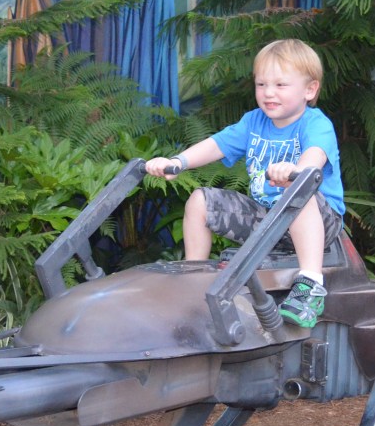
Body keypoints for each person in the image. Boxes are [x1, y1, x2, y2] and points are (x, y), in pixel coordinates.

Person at [145, 39, 345, 328]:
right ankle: (193, 277)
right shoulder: (254, 122)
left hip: (319, 222)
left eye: (280, 85)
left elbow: (315, 156)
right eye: (261, 84)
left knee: (299, 191)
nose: (268, 92)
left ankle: (310, 286)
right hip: (269, 220)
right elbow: (217, 144)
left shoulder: (315, 124)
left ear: (310, 90)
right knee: (200, 201)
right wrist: (178, 162)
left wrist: (296, 170)